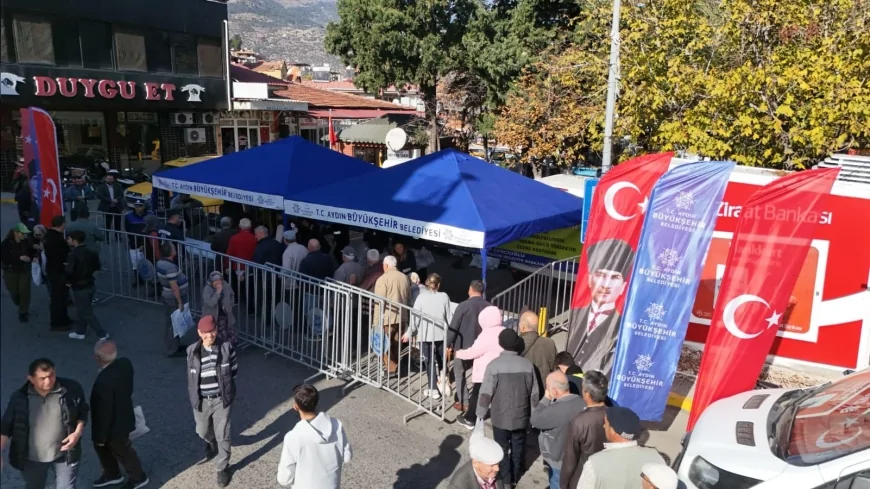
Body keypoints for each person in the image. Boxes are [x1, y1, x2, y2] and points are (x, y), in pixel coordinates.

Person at [0, 358, 88, 489]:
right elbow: (6, 426)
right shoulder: (20, 398)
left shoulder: (71, 389)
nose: (48, 381)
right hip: (33, 459)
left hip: (65, 455)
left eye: (51, 375)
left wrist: (77, 432)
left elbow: (83, 411)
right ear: (30, 378)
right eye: (42, 378)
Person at [476, 329, 539, 489]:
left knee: (501, 448)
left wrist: (480, 414)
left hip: (500, 417)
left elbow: (485, 394)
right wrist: (535, 416)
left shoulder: (494, 366)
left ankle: (505, 479)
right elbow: (534, 394)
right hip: (521, 415)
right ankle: (516, 476)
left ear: (501, 344)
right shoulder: (527, 365)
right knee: (519, 445)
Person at [566, 238, 635, 374]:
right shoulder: (576, 314)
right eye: (600, 275)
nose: (605, 285)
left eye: (615, 277)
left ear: (623, 286)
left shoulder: (623, 325)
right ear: (590, 279)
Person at [90, 340, 149, 489]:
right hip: (125, 415)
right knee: (116, 449)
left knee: (123, 452)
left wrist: (100, 437)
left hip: (113, 427)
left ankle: (138, 477)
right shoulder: (125, 364)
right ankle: (112, 474)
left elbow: (104, 413)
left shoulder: (102, 383)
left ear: (98, 358)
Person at [187, 316, 238, 488]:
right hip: (201, 400)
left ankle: (222, 468)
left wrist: (227, 391)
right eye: (206, 333)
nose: (210, 335)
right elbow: (191, 378)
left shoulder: (226, 348)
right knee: (201, 431)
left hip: (220, 399)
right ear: (199, 333)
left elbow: (234, 371)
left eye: (213, 331)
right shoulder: (191, 351)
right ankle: (211, 442)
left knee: (223, 433)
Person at [276, 384, 352, 488]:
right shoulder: (336, 424)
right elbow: (347, 456)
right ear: (317, 402)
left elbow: (284, 479)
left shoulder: (293, 436)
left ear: (295, 406)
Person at [576, 406, 665, 489]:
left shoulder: (594, 463)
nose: (603, 426)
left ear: (613, 431)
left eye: (606, 423)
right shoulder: (656, 458)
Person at [530, 371, 586, 489]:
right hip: (577, 458)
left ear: (554, 391)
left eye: (547, 387)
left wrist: (546, 398)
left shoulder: (555, 411)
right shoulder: (582, 403)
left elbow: (534, 420)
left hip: (558, 461)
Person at [454, 305, 505, 430]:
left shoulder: (486, 335)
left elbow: (474, 352)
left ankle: (470, 419)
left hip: (484, 373)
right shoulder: (505, 331)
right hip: (502, 371)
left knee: (477, 395)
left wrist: (458, 353)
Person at [403, 273, 452, 400]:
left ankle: (433, 389)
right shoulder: (444, 296)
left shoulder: (421, 298)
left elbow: (415, 318)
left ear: (426, 283)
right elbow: (449, 317)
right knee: (442, 359)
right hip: (441, 332)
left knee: (429, 360)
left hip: (425, 334)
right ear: (438, 285)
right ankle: (444, 381)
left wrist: (409, 333)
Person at [559, 371, 609, 489]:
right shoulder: (613, 414)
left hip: (583, 477)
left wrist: (563, 483)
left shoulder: (579, 422)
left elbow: (570, 458)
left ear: (587, 394)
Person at [447, 280, 492, 413]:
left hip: (462, 347)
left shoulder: (463, 305)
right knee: (478, 375)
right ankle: (478, 401)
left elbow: (453, 327)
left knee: (459, 374)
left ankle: (464, 401)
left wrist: (448, 344)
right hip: (482, 348)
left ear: (470, 290)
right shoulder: (489, 307)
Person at [66, 230, 110, 341]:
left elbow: (69, 271)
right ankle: (80, 331)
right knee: (82, 309)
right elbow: (97, 266)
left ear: (74, 241)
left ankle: (102, 333)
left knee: (86, 311)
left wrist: (67, 281)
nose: (67, 240)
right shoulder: (91, 252)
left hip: (79, 285)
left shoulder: (73, 254)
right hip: (90, 283)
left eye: (69, 238)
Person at [372, 255, 411, 373]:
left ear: (386, 265)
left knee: (383, 343)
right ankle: (395, 365)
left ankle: (391, 366)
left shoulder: (383, 279)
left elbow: (379, 302)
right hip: (402, 316)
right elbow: (407, 296)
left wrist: (376, 322)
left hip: (387, 318)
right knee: (396, 342)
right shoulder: (404, 277)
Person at [156, 242, 189, 357]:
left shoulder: (161, 263)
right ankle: (172, 348)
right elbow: (174, 287)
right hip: (173, 298)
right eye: (174, 248)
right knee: (173, 322)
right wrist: (180, 302)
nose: (175, 249)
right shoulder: (170, 267)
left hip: (168, 296)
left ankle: (175, 345)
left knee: (173, 322)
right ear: (171, 252)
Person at [1, 223, 36, 323]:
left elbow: (32, 252)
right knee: (14, 292)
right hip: (10, 271)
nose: (24, 235)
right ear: (16, 233)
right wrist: (19, 258)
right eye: (22, 233)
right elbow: (4, 258)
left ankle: (23, 312)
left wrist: (35, 256)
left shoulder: (26, 242)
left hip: (24, 270)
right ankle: (19, 303)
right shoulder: (6, 244)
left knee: (24, 292)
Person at [518, 310, 557, 397]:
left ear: (522, 327)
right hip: (544, 391)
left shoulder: (516, 344)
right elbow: (554, 368)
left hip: (522, 391)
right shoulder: (549, 343)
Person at [44, 215, 73, 329]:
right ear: (62, 224)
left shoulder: (50, 236)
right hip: (58, 271)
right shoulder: (57, 239)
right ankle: (57, 322)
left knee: (62, 297)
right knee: (58, 298)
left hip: (54, 270)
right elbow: (61, 256)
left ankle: (64, 318)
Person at [203, 271, 237, 346]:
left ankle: (229, 349)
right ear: (211, 281)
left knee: (230, 332)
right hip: (213, 316)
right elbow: (211, 303)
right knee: (218, 336)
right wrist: (218, 292)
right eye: (216, 280)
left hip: (226, 314)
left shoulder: (225, 285)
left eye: (220, 280)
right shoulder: (207, 289)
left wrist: (231, 304)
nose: (218, 282)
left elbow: (232, 294)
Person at [226, 218, 257, 290]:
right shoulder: (255, 238)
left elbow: (229, 253)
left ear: (239, 226)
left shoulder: (234, 238)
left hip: (238, 266)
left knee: (239, 289)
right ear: (250, 226)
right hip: (252, 266)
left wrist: (227, 266)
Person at [95, 169, 126, 236]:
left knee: (118, 223)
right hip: (107, 207)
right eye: (109, 179)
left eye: (111, 179)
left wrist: (116, 199)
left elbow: (121, 194)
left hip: (117, 207)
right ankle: (107, 237)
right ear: (105, 179)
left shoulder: (118, 186)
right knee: (107, 223)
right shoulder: (101, 187)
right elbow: (100, 196)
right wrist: (111, 200)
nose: (110, 180)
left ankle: (118, 236)